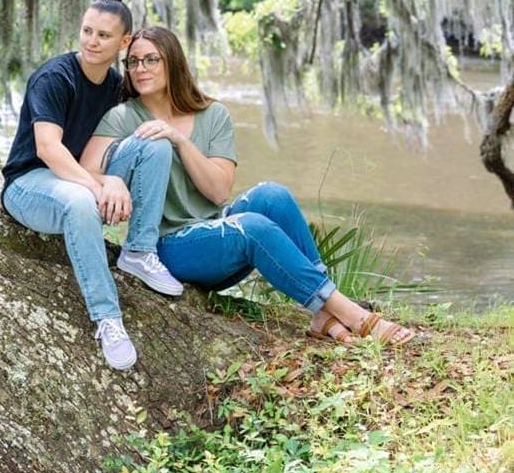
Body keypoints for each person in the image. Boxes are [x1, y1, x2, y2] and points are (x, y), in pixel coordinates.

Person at [80, 25, 416, 346]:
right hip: (170, 248)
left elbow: (219, 192)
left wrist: (179, 141)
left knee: (273, 195)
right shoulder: (122, 117)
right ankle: (352, 315)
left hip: (215, 235)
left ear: (173, 62)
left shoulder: (213, 114)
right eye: (133, 61)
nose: (140, 68)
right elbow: (85, 171)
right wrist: (111, 180)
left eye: (151, 59)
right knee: (252, 227)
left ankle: (322, 311)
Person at [1, 0, 184, 371]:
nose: (92, 42)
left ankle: (138, 251)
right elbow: (49, 149)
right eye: (87, 31)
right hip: (29, 185)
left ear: (124, 41)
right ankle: (107, 319)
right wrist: (101, 185)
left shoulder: (118, 87)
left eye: (103, 35)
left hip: (80, 176)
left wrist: (111, 179)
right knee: (81, 201)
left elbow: (112, 148)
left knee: (155, 144)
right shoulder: (55, 78)